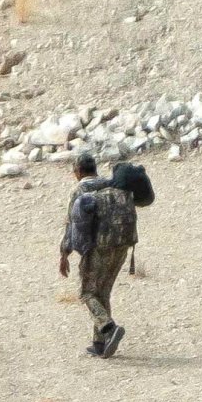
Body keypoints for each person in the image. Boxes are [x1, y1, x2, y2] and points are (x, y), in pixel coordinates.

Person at [59, 152, 138, 357]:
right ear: (95, 168)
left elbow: (72, 224)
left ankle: (108, 328)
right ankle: (100, 343)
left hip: (98, 247)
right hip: (122, 245)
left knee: (87, 292)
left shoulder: (80, 189)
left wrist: (64, 253)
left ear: (77, 171)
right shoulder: (111, 183)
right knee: (103, 292)